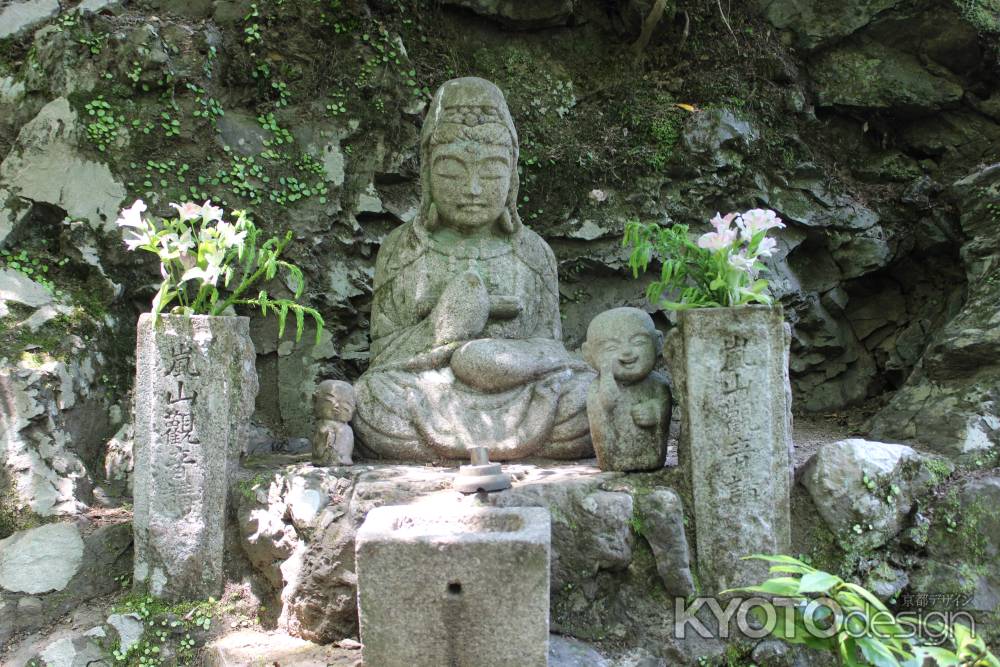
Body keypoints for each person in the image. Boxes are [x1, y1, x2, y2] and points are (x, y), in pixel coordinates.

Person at [353, 77, 595, 461]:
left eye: (492, 172)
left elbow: (552, 350)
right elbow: (382, 361)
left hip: (522, 394)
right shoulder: (402, 249)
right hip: (431, 394)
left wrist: (504, 358)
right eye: (451, 172)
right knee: (369, 400)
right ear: (428, 178)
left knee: (583, 397)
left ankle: (481, 445)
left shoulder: (533, 252)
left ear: (512, 178)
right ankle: (498, 447)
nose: (472, 189)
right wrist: (444, 330)